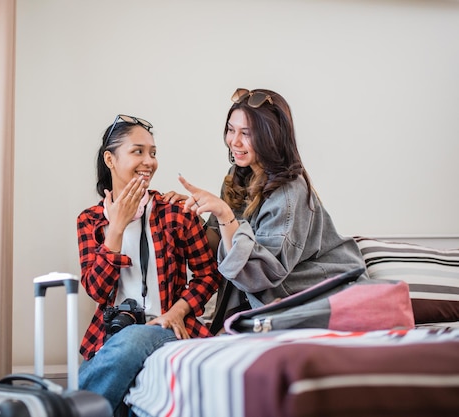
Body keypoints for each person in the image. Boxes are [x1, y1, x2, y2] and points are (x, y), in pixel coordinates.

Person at [169, 88, 367, 333]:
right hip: (268, 297)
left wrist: (225, 215)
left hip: (319, 291)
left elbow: (260, 274)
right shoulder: (238, 176)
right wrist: (188, 219)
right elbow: (221, 247)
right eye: (231, 130)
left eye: (246, 133)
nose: (234, 141)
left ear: (270, 137)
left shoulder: (288, 192)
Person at [77, 114, 221, 415]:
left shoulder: (175, 213)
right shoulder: (90, 221)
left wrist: (176, 312)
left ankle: (61, 409)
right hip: (111, 335)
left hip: (165, 327)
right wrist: (115, 229)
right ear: (110, 159)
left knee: (132, 341)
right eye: (138, 151)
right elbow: (97, 291)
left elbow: (208, 274)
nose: (149, 161)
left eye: (153, 153)